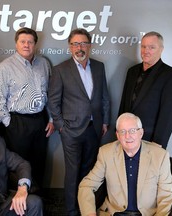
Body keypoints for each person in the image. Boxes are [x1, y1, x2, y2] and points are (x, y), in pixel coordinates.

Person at [48, 28, 110, 216]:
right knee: (73, 172)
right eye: (75, 44)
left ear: (89, 46)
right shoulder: (60, 70)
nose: (79, 47)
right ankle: (71, 210)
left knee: (88, 170)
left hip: (94, 128)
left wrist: (105, 121)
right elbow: (53, 101)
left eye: (83, 43)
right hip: (71, 131)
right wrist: (60, 126)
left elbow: (104, 97)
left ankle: (85, 208)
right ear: (70, 47)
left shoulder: (99, 67)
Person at [0, 27, 54, 189]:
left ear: (35, 44)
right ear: (16, 44)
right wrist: (9, 123)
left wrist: (52, 119)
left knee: (39, 163)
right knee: (18, 165)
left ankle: (36, 202)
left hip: (40, 121)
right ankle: (18, 204)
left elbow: (50, 93)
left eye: (30, 42)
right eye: (23, 41)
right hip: (17, 122)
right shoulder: (4, 67)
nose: (26, 45)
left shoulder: (44, 64)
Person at [78, 112, 172, 216]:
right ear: (117, 135)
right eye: (122, 131)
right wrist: (89, 213)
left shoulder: (160, 156)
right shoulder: (106, 153)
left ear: (141, 133)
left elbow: (166, 196)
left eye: (132, 131)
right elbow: (86, 185)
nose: (127, 136)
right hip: (114, 213)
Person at [118, 31, 172, 149]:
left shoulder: (171, 75)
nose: (146, 51)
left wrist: (158, 142)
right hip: (126, 137)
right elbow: (124, 104)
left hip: (150, 141)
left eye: (152, 47)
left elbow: (169, 114)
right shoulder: (132, 71)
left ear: (161, 49)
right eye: (143, 46)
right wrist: (119, 130)